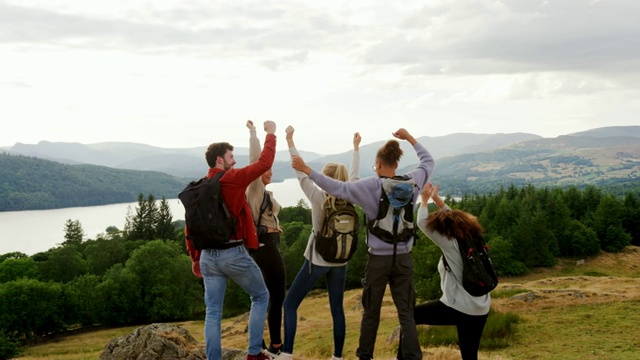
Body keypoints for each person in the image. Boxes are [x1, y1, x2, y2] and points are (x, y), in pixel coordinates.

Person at [291, 128, 434, 360]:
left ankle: (365, 356)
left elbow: (337, 187)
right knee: (406, 313)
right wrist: (408, 138)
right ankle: (412, 356)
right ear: (396, 163)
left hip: (378, 260)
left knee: (371, 313)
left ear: (378, 163)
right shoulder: (414, 180)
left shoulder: (371, 185)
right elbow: (428, 161)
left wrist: (308, 170)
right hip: (405, 259)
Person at [185, 120, 277, 360]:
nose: (234, 161)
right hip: (232, 253)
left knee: (213, 312)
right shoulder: (231, 179)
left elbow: (191, 226)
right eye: (231, 156)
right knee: (261, 296)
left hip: (207, 257)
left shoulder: (200, 187)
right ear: (220, 160)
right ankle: (254, 353)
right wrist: (270, 134)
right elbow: (264, 164)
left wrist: (195, 258)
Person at [274, 126, 361, 360]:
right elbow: (354, 175)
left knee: (290, 304)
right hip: (341, 262)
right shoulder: (351, 194)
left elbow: (301, 173)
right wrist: (356, 149)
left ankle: (287, 353)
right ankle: (337, 356)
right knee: (337, 310)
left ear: (326, 178)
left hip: (317, 260)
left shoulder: (318, 197)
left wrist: (290, 141)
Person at [397, 183, 490, 360]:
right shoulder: (473, 238)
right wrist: (437, 199)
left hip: (459, 307)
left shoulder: (451, 245)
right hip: (480, 308)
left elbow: (422, 223)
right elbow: (454, 217)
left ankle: (402, 358)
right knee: (470, 356)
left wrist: (423, 201)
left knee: (409, 316)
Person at [245, 120, 286, 357]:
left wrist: (275, 228)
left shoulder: (263, 192)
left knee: (264, 294)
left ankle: (261, 342)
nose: (268, 172)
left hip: (266, 243)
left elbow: (266, 216)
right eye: (266, 169)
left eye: (271, 169)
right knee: (276, 294)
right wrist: (255, 134)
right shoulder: (255, 186)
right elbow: (255, 162)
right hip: (265, 247)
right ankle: (275, 346)